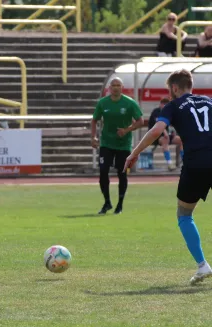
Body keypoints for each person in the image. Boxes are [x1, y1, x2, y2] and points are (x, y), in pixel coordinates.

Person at [124, 69, 212, 285]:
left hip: (195, 163)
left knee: (184, 214)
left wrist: (134, 153)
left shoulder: (173, 106)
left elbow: (156, 131)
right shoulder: (208, 101)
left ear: (174, 88)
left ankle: (203, 266)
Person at [91, 77, 144, 215]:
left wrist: (126, 130)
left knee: (122, 174)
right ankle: (107, 202)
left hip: (123, 144)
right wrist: (93, 137)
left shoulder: (129, 103)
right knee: (103, 171)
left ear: (122, 87)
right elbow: (94, 120)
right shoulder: (103, 103)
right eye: (113, 85)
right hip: (106, 143)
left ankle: (119, 204)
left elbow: (140, 121)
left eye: (118, 85)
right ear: (109, 87)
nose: (115, 87)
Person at [149, 97, 183, 170]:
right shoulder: (156, 111)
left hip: (167, 135)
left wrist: (173, 133)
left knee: (181, 140)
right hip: (156, 136)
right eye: (165, 105)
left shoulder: (168, 112)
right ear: (161, 104)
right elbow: (159, 125)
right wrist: (166, 134)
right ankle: (169, 163)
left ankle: (185, 160)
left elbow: (171, 124)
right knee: (165, 140)